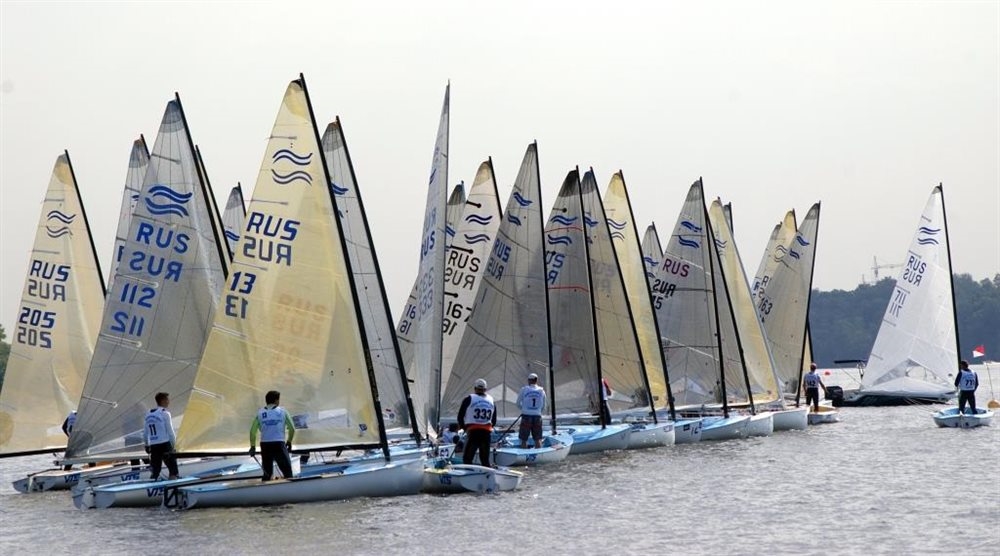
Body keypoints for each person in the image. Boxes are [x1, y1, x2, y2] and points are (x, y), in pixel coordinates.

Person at [249, 390, 295, 481]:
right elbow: (292, 429)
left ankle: (266, 486)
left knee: (267, 473)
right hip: (279, 443)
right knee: (288, 472)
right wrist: (289, 441)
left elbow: (252, 432)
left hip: (265, 445)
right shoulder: (283, 411)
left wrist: (253, 446)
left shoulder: (260, 413)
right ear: (276, 400)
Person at [457, 379, 496, 467]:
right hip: (486, 433)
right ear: (485, 389)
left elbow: (460, 416)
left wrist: (464, 428)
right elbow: (494, 421)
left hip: (473, 432)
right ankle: (486, 474)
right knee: (485, 460)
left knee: (467, 459)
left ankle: (468, 474)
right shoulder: (491, 400)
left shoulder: (469, 398)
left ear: (475, 388)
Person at [143, 392, 179, 480]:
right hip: (165, 445)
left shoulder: (148, 414)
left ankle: (152, 484)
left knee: (155, 471)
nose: (168, 402)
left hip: (154, 446)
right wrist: (175, 446)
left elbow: (145, 433)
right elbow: (170, 432)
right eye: (167, 400)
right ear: (162, 401)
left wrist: (147, 445)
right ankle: (174, 485)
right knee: (173, 470)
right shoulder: (165, 413)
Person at [516, 373, 546, 449]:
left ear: (529, 380)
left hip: (526, 416)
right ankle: (538, 453)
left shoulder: (524, 390)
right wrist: (537, 411)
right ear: (536, 380)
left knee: (524, 439)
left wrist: (524, 410)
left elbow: (518, 403)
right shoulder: (542, 391)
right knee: (537, 439)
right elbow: (544, 406)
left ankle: (524, 453)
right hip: (537, 416)